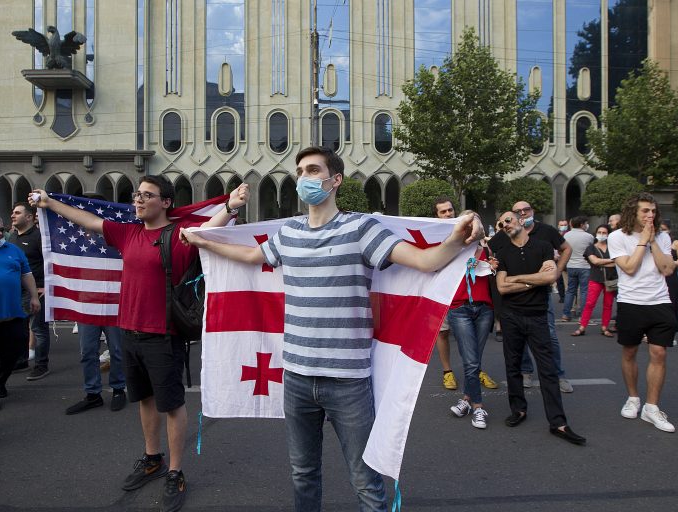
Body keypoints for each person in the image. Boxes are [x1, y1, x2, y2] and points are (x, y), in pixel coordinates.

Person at [179, 146, 483, 511]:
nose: (303, 178)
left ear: (334, 180)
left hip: (349, 381)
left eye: (312, 170)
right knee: (302, 473)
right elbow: (248, 256)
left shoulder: (361, 228)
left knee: (365, 480)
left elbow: (423, 260)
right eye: (300, 171)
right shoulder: (289, 232)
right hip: (296, 377)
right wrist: (200, 238)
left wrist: (454, 238)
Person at [30, 175, 249, 512]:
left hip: (163, 335)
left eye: (148, 195)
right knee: (145, 400)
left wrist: (231, 206)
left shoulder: (177, 235)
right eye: (137, 194)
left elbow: (207, 229)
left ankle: (175, 470)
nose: (139, 200)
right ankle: (152, 458)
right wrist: (49, 203)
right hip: (128, 331)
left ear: (166, 202)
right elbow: (88, 220)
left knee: (172, 405)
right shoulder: (127, 232)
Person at [494, 211, 585, 445]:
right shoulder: (503, 252)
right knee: (513, 366)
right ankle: (518, 410)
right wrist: (532, 280)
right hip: (511, 316)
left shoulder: (543, 246)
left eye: (509, 219)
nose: (506, 224)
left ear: (520, 221)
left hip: (537, 316)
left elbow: (549, 278)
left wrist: (517, 279)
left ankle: (558, 423)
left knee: (547, 369)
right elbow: (502, 288)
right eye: (502, 223)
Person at [488, 201, 574, 393]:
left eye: (525, 210)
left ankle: (558, 375)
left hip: (540, 300)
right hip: (515, 300)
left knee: (549, 336)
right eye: (518, 211)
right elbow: (490, 254)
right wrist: (493, 264)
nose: (523, 213)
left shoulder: (546, 232)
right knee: (519, 340)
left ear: (530, 212)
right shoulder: (505, 235)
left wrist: (558, 272)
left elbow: (566, 249)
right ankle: (526, 371)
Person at [608, 192, 676, 433]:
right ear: (632, 213)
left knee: (659, 352)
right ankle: (633, 397)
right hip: (631, 302)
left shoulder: (663, 236)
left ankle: (651, 406)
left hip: (660, 301)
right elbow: (628, 267)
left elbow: (667, 269)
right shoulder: (617, 236)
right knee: (630, 351)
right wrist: (642, 241)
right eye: (645, 211)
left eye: (653, 211)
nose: (650, 215)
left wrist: (654, 241)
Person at [0, 213, 39, 412]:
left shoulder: (13, 250)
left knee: (14, 355)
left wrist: (34, 296)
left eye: (0, 229)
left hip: (12, 315)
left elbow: (26, 274)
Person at [431, 197, 498, 391]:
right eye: (442, 212)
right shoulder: (438, 238)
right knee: (443, 333)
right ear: (436, 215)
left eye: (450, 210)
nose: (447, 214)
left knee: (474, 340)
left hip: (474, 299)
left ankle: (476, 370)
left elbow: (490, 267)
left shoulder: (480, 242)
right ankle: (447, 372)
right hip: (444, 296)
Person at [447, 219, 498, 429]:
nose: (473, 229)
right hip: (460, 309)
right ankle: (478, 407)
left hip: (485, 309)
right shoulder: (451, 249)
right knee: (470, 361)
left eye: (476, 225)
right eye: (468, 225)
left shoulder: (488, 248)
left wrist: (493, 266)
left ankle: (466, 400)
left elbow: (495, 272)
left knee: (474, 360)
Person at [9, 202, 50, 380]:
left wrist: (47, 286)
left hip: (37, 290)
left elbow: (50, 262)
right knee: (19, 328)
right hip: (16, 291)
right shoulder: (12, 237)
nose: (12, 215)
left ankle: (41, 364)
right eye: (12, 212)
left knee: (38, 329)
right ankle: (21, 359)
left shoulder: (40, 237)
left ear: (29, 217)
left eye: (17, 212)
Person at [571, 225, 617, 338]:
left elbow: (619, 263)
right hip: (595, 279)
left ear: (608, 234)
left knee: (608, 304)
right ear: (596, 233)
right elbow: (594, 261)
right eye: (599, 232)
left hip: (610, 280)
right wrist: (612, 261)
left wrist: (604, 262)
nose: (601, 234)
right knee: (590, 303)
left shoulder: (613, 247)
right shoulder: (591, 248)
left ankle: (604, 328)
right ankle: (582, 327)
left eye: (604, 232)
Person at [561, 216, 595, 322]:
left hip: (571, 265)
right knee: (584, 291)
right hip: (585, 266)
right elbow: (592, 249)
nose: (586, 225)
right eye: (586, 223)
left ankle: (566, 314)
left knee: (570, 291)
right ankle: (583, 315)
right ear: (581, 225)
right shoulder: (589, 236)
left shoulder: (567, 235)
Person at [555, 220, 569, 302]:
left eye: (565, 225)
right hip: (557, 259)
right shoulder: (555, 235)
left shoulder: (569, 235)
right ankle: (562, 297)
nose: (563, 226)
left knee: (568, 281)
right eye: (561, 225)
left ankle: (568, 297)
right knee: (559, 280)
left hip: (567, 260)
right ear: (558, 226)